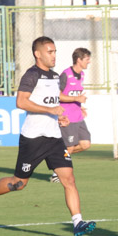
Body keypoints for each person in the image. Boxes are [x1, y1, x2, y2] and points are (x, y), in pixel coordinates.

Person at [0, 36, 96, 236]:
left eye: (55, 51)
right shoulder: (31, 75)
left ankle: (77, 222)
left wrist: (60, 116)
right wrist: (50, 110)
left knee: (69, 179)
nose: (54, 55)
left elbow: (54, 104)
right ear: (38, 54)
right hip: (33, 138)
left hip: (54, 138)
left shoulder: (55, 77)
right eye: (50, 51)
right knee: (18, 184)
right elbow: (21, 102)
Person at [50, 47, 93, 184]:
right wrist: (76, 100)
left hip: (78, 117)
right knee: (69, 147)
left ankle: (57, 157)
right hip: (67, 118)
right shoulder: (66, 75)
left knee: (85, 145)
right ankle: (56, 172)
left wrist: (80, 107)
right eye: (87, 59)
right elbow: (58, 96)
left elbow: (75, 95)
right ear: (79, 60)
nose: (89, 62)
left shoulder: (82, 75)